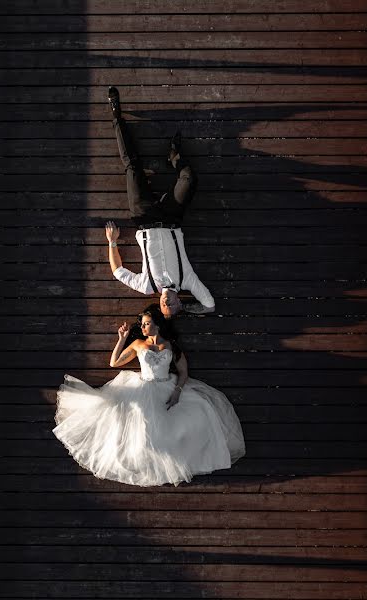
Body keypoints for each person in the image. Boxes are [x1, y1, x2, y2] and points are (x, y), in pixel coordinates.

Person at [52, 305, 246, 487]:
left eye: (147, 323)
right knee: (140, 427)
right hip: (143, 387)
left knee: (194, 417)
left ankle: (177, 460)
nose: (143, 327)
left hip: (167, 387)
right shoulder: (138, 344)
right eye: (142, 323)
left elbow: (183, 373)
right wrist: (122, 338)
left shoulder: (172, 346)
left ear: (158, 324)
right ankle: (141, 462)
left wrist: (177, 392)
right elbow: (114, 362)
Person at [105, 85, 215, 319]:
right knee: (189, 179)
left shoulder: (147, 286)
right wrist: (190, 309)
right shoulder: (187, 279)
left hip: (144, 218)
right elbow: (209, 304)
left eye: (164, 308)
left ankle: (116, 116)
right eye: (172, 307)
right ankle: (174, 156)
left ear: (159, 304)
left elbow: (118, 272)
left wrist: (112, 242)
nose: (167, 304)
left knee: (132, 167)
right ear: (179, 303)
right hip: (171, 217)